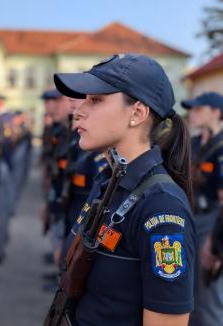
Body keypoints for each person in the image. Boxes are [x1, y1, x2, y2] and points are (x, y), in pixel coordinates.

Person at [51, 54, 196, 325]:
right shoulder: (108, 180)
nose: (78, 110)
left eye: (96, 100)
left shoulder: (161, 206)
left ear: (137, 113)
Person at [181, 92, 223, 326]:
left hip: (213, 223)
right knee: (189, 294)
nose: (193, 114)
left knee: (209, 298)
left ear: (216, 112)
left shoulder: (220, 148)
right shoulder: (195, 144)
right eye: (192, 110)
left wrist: (215, 245)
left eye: (199, 109)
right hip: (191, 219)